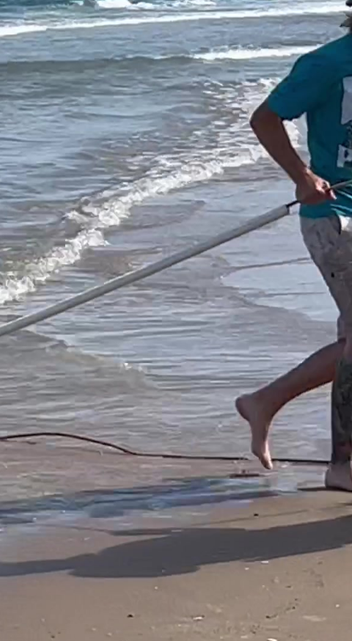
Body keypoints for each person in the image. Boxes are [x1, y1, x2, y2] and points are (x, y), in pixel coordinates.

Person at [236, 11, 352, 490]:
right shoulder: (326, 64)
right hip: (336, 216)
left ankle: (265, 401)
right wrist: (302, 176)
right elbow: (264, 118)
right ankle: (343, 466)